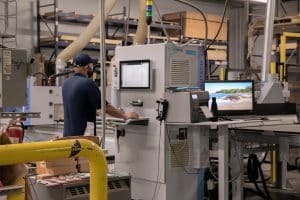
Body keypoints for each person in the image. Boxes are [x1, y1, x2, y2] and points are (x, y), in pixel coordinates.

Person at [62, 53, 139, 137]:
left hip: (67, 135)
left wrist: (91, 110)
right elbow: (105, 107)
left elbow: (77, 103)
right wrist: (124, 115)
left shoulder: (66, 83)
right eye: (91, 66)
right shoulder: (88, 83)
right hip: (83, 138)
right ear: (87, 67)